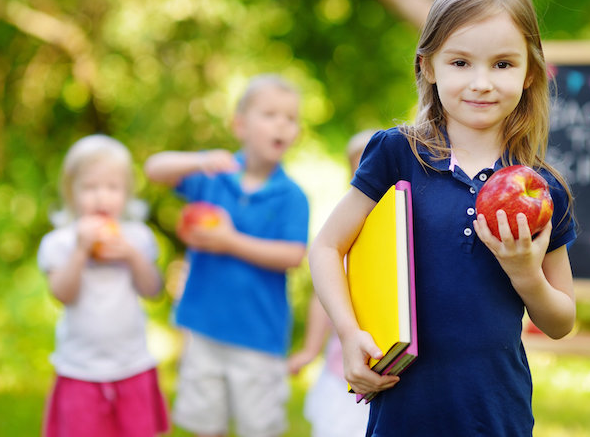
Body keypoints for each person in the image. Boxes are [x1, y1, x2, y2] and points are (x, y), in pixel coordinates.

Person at [308, 0, 577, 436]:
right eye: (460, 61)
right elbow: (328, 247)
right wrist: (350, 335)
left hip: (497, 415)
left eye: (503, 64)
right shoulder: (397, 154)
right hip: (403, 412)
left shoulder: (542, 189)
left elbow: (561, 321)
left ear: (530, 71)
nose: (481, 82)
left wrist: (526, 275)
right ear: (428, 66)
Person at [144, 74, 309, 437]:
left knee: (258, 427)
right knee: (207, 424)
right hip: (202, 327)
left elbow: (293, 255)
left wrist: (230, 241)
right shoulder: (213, 176)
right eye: (270, 114)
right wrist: (199, 160)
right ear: (240, 125)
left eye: (291, 118)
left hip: (258, 337)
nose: (282, 124)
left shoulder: (292, 196)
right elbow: (153, 169)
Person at [37, 134, 169, 437]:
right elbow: (62, 294)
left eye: (112, 188)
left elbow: (153, 290)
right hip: (79, 369)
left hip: (132, 364)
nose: (101, 197)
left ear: (127, 193)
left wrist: (133, 256)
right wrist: (81, 251)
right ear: (71, 192)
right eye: (90, 187)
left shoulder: (137, 237)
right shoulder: (60, 242)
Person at [288, 130, 374, 437]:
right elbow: (321, 296)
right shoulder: (344, 233)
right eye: (360, 165)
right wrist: (310, 349)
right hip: (343, 371)